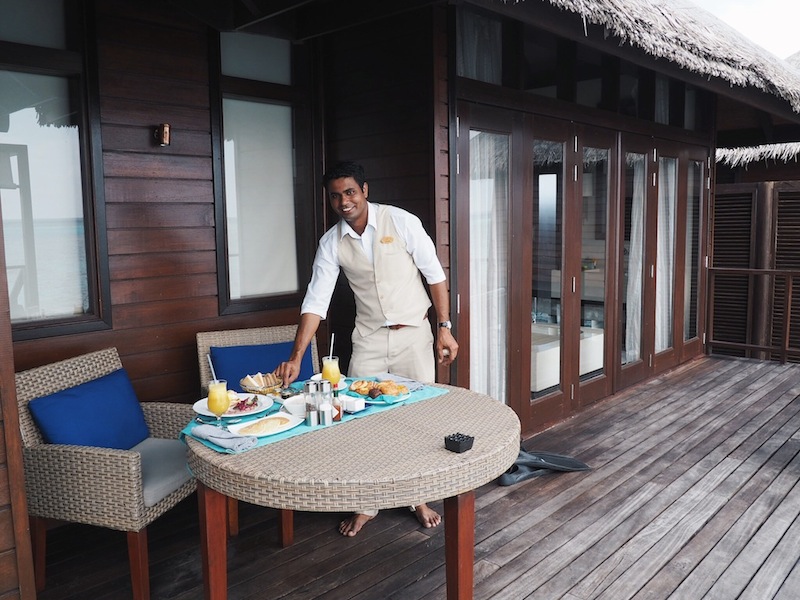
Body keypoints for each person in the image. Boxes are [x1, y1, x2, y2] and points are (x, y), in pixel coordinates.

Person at [276, 161, 459, 537]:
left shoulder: (401, 221)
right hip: (369, 339)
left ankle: (418, 498)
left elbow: (434, 275)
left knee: (418, 418)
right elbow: (316, 302)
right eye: (336, 195)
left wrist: (444, 328)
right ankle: (367, 504)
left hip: (413, 335)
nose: (344, 201)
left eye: (350, 192)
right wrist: (296, 356)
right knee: (361, 421)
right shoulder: (332, 242)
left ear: (365, 191)